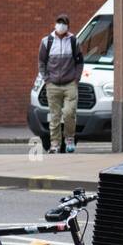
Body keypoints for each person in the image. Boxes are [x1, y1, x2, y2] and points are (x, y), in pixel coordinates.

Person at [38, 14, 83, 154]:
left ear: (68, 26)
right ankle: (55, 144)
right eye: (59, 22)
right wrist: (47, 80)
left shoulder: (74, 41)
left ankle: (69, 139)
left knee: (69, 113)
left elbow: (80, 62)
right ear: (55, 24)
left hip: (70, 84)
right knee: (55, 116)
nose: (61, 25)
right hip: (53, 85)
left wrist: (76, 79)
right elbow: (41, 62)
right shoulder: (47, 41)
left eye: (63, 23)